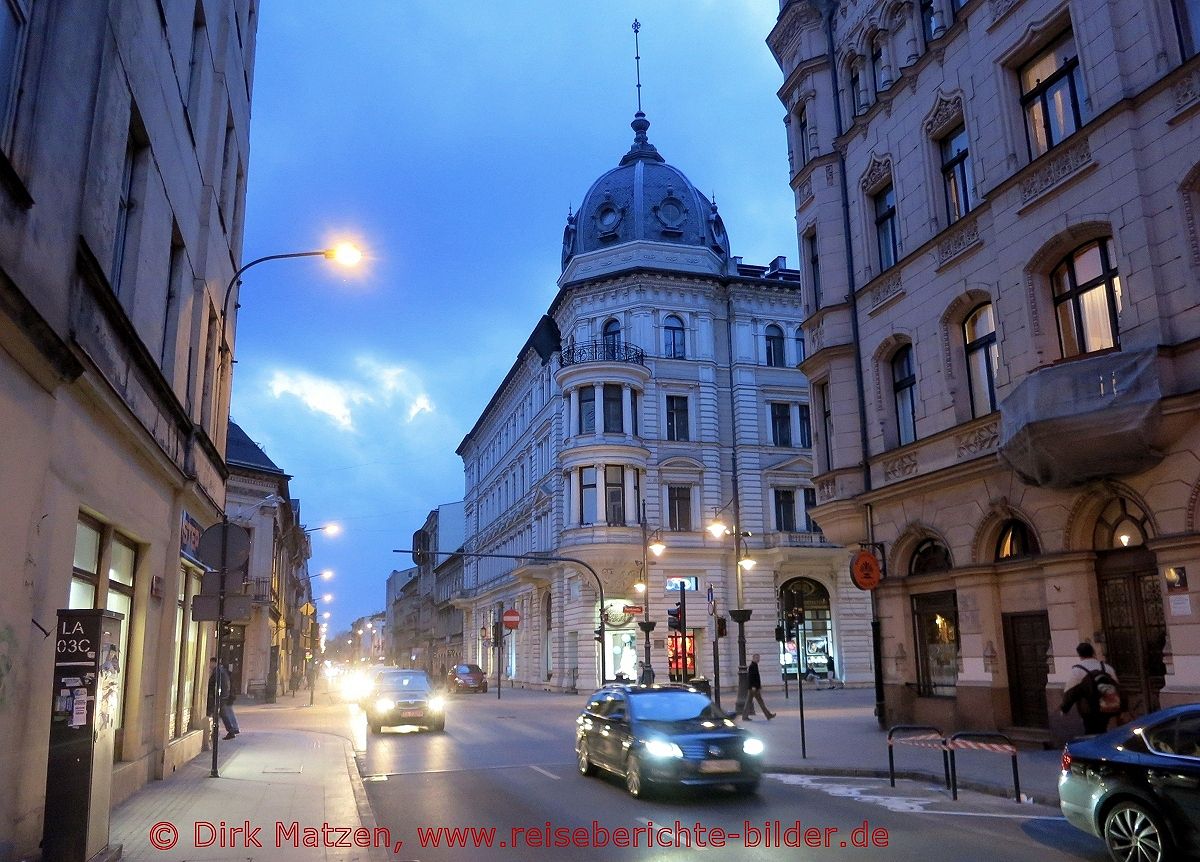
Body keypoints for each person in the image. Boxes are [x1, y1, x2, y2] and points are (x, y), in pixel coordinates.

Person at [1061, 642, 1120, 734]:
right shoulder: (1106, 667)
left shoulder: (1077, 671)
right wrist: (1124, 708)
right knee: (1103, 729)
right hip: (1107, 707)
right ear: (1093, 652)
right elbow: (1117, 687)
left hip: (1089, 710)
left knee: (1090, 732)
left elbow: (1070, 692)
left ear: (1079, 655)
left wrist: (1064, 708)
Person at [207, 657, 240, 740]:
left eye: (210, 663)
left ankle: (228, 731)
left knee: (220, 714)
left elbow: (214, 684)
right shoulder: (220, 671)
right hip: (222, 696)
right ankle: (227, 731)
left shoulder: (218, 671)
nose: (209, 665)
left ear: (214, 663)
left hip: (220, 697)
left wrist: (219, 695)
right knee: (221, 714)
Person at [741, 653, 776, 721]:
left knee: (750, 702)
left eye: (759, 658)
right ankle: (768, 715)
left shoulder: (755, 665)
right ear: (753, 658)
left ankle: (745, 716)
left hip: (754, 688)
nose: (758, 659)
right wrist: (754, 686)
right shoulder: (752, 666)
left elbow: (756, 678)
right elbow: (751, 678)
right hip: (753, 688)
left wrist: (758, 686)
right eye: (757, 658)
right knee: (759, 702)